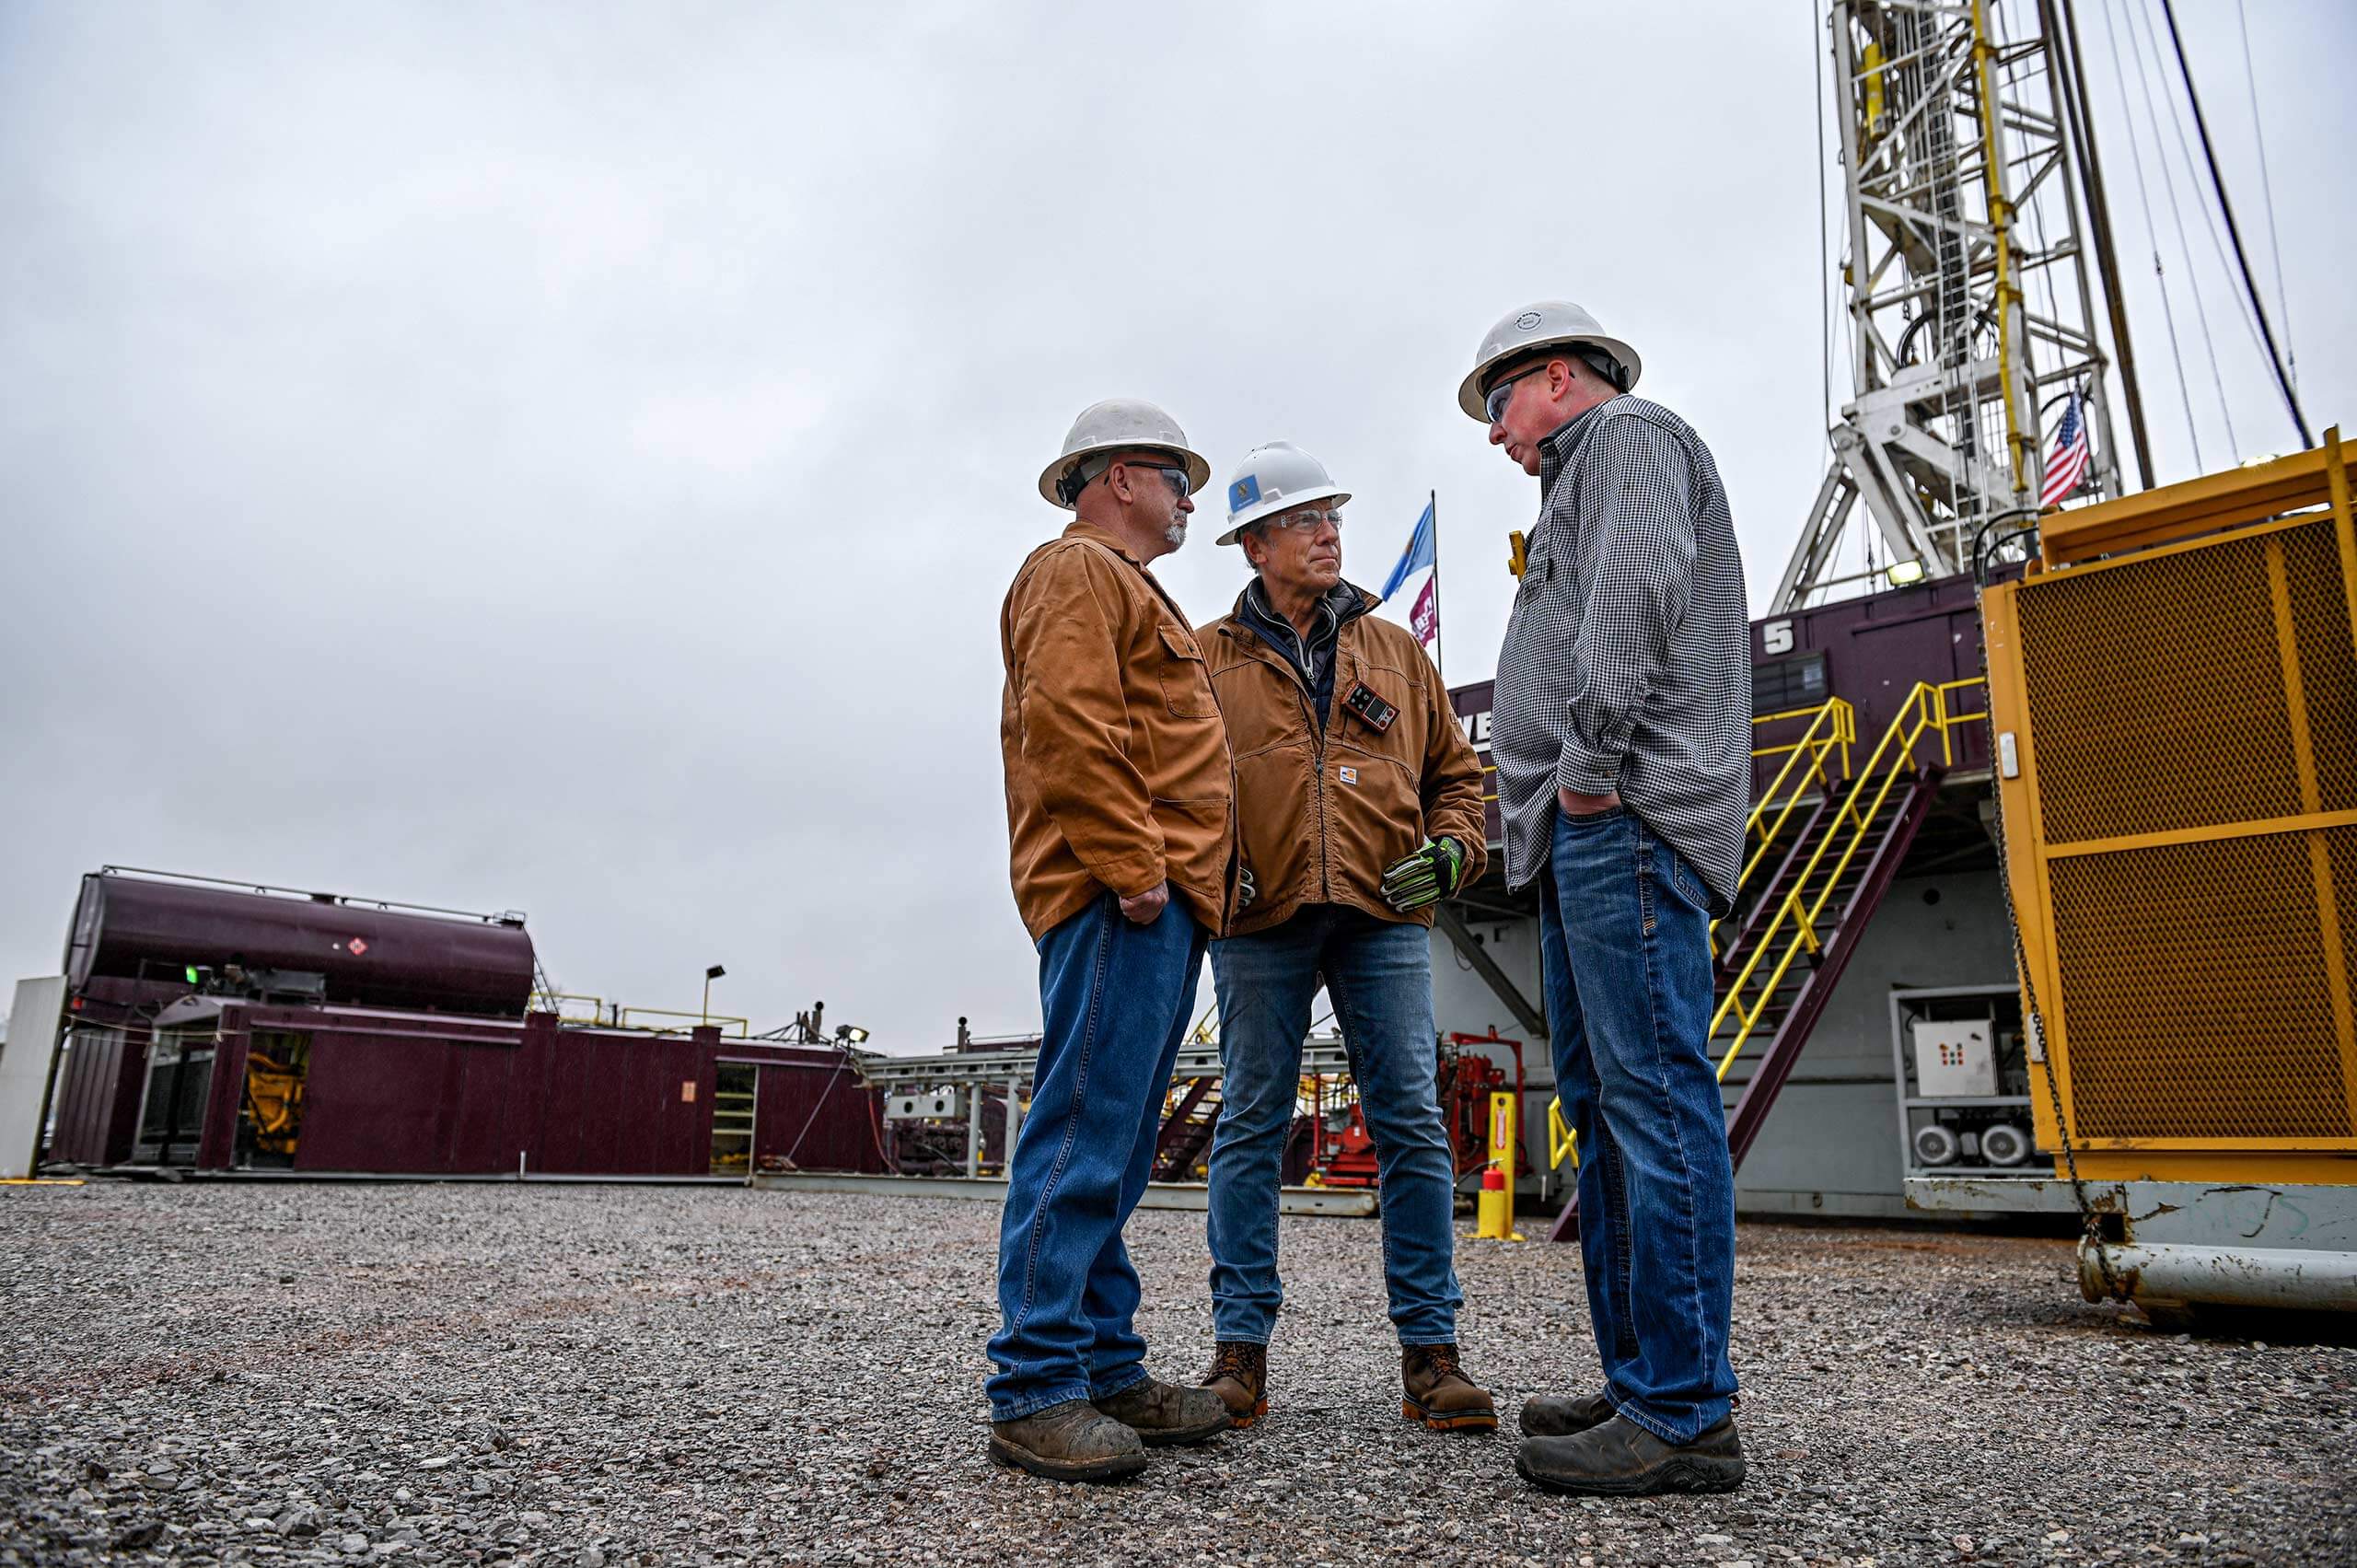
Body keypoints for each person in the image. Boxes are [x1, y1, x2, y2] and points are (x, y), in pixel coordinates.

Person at [1461, 303, 1751, 1494]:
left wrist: (1583, 775)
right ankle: (1646, 1381)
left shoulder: (1627, 437)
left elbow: (1627, 605)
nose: (1493, 433)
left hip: (1621, 817)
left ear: (1561, 377)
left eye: (1498, 403)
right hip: (1588, 830)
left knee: (1651, 1100)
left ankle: (1685, 1408)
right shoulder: (1580, 474)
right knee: (1606, 1099)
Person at [1192, 441, 1496, 1434]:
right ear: (1254, 545)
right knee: (1248, 1124)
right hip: (1258, 914)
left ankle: (1431, 1354)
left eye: (1332, 516)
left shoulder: (1396, 651)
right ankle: (1238, 1353)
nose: (1328, 532)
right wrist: (1209, 863)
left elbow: (1456, 774)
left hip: (1381, 911)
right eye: (1304, 519)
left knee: (1409, 1120)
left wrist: (1454, 848)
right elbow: (1176, 781)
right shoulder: (1205, 657)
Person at [987, 399, 1239, 1482]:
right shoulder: (1076, 572)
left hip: (1154, 894)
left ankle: (1100, 1361)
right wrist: (1136, 869)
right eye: (1177, 478)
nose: (1189, 499)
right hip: (1120, 892)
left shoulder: (1124, 585)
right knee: (1084, 1132)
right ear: (1125, 477)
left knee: (1119, 1147)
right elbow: (1071, 725)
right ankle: (1034, 1382)